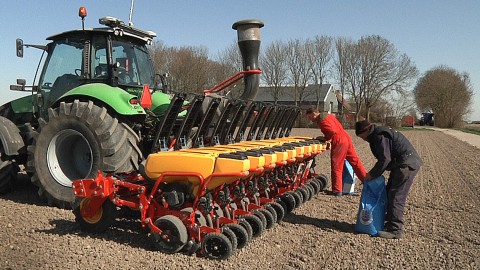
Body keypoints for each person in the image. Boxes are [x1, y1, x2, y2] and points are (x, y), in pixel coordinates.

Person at [355, 120, 423, 239]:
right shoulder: (377, 133)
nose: (362, 139)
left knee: (396, 196)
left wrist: (371, 175)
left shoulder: (380, 135)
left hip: (405, 165)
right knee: (388, 192)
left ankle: (395, 230)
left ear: (366, 130)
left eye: (361, 136)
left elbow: (385, 159)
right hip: (401, 164)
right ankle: (385, 222)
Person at [306, 108, 367, 196]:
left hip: (339, 141)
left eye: (310, 116)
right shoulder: (329, 116)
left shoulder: (322, 121)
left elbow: (332, 131)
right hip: (346, 138)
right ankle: (366, 181)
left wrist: (325, 138)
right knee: (355, 162)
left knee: (337, 166)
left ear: (315, 113)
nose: (310, 119)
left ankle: (337, 190)